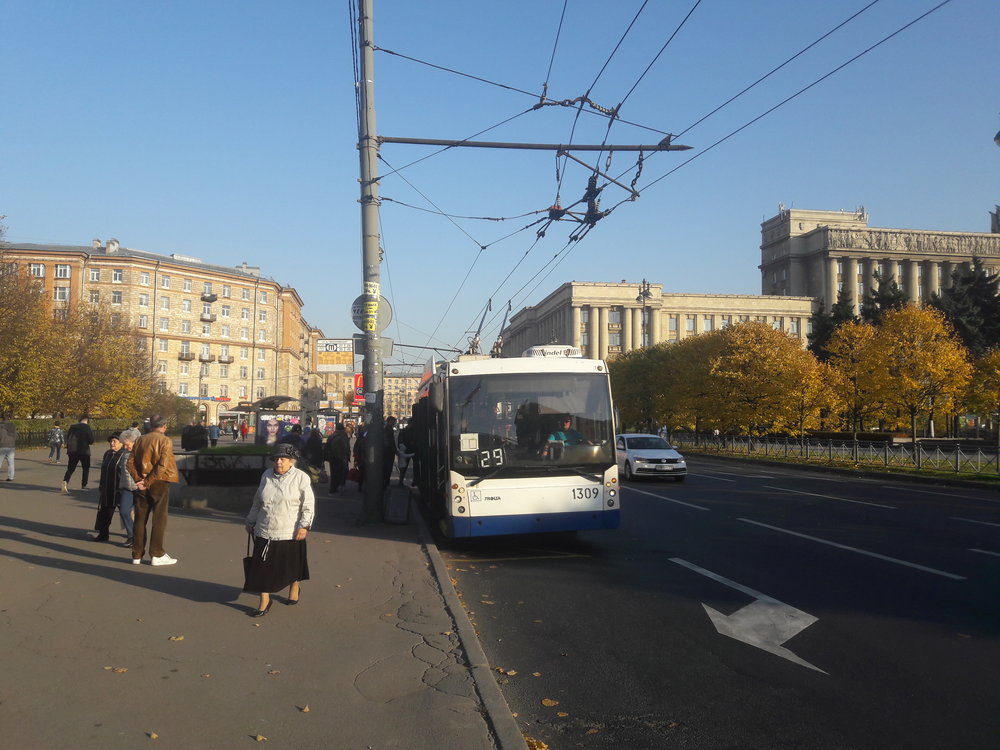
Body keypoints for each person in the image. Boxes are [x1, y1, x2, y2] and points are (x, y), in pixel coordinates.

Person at [243, 443, 315, 617]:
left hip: (289, 530)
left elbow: (308, 504)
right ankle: (265, 600)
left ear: (292, 461)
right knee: (261, 569)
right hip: (264, 528)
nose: (279, 462)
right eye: (276, 459)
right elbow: (258, 501)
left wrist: (304, 526)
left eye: (283, 459)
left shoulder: (301, 477)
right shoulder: (266, 475)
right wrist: (251, 520)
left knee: (291, 565)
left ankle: (294, 585)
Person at [127, 415, 179, 566]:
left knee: (140, 519)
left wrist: (139, 480)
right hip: (159, 482)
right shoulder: (165, 440)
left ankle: (136, 555)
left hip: (142, 482)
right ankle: (157, 554)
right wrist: (149, 481)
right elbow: (162, 465)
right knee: (159, 519)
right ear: (164, 426)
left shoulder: (140, 439)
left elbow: (130, 463)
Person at [92, 433, 127, 543]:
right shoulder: (107, 454)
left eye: (114, 441)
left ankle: (132, 537)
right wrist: (101, 485)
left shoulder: (125, 455)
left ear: (121, 443)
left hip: (120, 490)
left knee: (126, 514)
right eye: (111, 441)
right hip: (107, 489)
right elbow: (103, 471)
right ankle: (103, 534)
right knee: (105, 513)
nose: (112, 443)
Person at [117, 428, 141, 548]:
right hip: (127, 488)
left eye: (127, 444)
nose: (125, 447)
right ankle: (132, 535)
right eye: (124, 444)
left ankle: (138, 537)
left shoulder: (142, 453)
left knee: (140, 515)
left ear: (134, 441)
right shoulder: (124, 453)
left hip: (139, 488)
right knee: (124, 511)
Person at [63, 415, 95, 491]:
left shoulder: (72, 427)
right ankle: (84, 485)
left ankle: (65, 481)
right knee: (85, 468)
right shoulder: (87, 427)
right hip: (84, 451)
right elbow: (91, 440)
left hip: (72, 451)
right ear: (87, 421)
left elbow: (68, 438)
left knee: (70, 468)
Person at [324, 423, 350, 493]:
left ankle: (333, 488)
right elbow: (347, 447)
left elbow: (326, 447)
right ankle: (339, 485)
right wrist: (348, 456)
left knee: (334, 473)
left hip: (332, 457)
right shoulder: (344, 436)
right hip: (342, 457)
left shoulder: (331, 436)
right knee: (341, 472)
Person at [396, 421, 416, 487]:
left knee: (409, 467)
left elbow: (399, 442)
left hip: (410, 450)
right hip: (409, 450)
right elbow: (400, 441)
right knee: (404, 467)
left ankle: (402, 481)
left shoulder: (404, 431)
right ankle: (401, 481)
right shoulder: (404, 431)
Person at [382, 416, 398, 487]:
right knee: (388, 467)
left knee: (387, 467)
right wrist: (394, 450)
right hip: (388, 451)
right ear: (389, 421)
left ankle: (386, 481)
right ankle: (386, 482)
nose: (394, 423)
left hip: (388, 450)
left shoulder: (388, 428)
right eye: (393, 421)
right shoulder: (388, 429)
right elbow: (391, 441)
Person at [0, 414, 16, 482]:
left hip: (2, 445)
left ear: (2, 418)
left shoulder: (1, 425)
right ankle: (11, 477)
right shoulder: (13, 425)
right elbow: (15, 436)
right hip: (11, 445)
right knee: (11, 462)